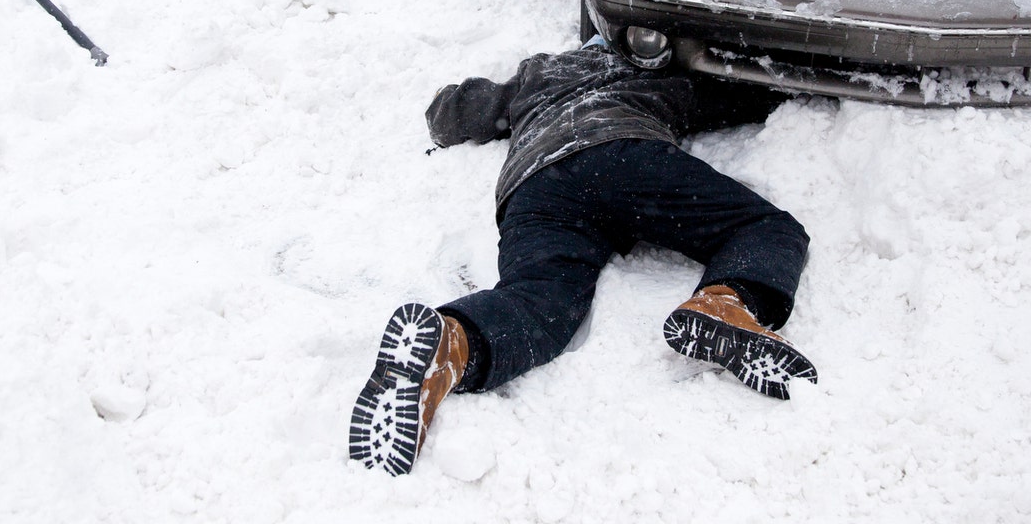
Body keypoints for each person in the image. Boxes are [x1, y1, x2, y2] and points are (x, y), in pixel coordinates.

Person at [347, 38, 818, 476]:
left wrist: (451, 106)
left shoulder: (533, 78)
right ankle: (723, 302)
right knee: (764, 228)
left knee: (537, 302)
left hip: (536, 187)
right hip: (624, 156)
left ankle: (450, 344)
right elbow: (729, 94)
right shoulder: (650, 66)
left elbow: (453, 115)